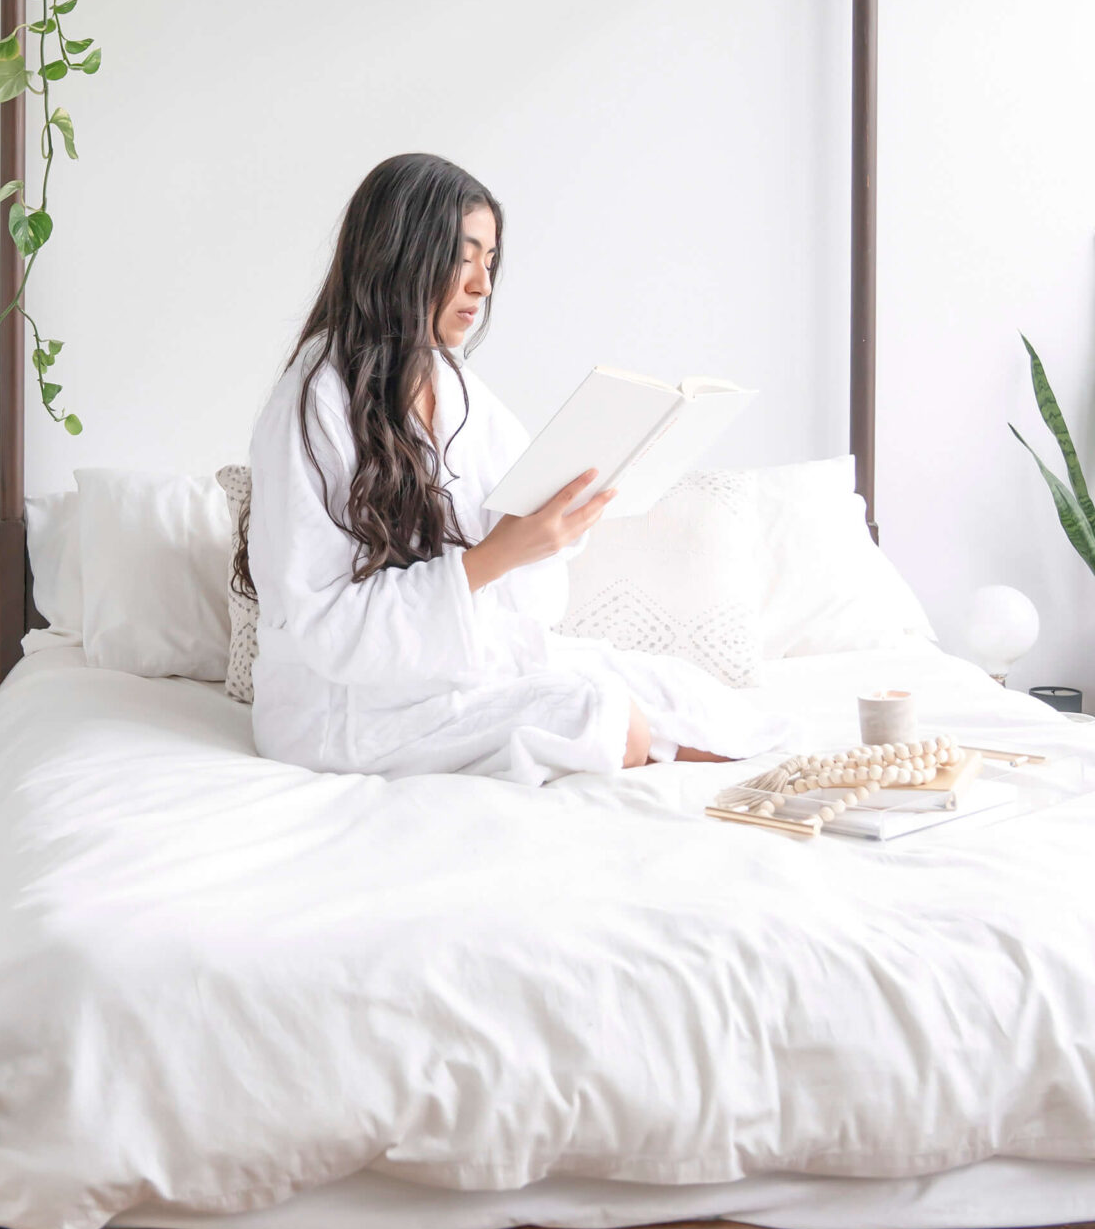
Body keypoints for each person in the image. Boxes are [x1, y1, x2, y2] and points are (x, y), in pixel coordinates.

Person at [242, 152, 777, 786]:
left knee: (695, 701)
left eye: (489, 263)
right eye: (463, 258)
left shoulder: (456, 388)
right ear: (398, 254)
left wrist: (551, 532)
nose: (482, 285)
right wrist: (496, 556)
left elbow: (528, 588)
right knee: (602, 716)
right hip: (346, 706)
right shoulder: (315, 402)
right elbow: (329, 628)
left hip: (456, 662)